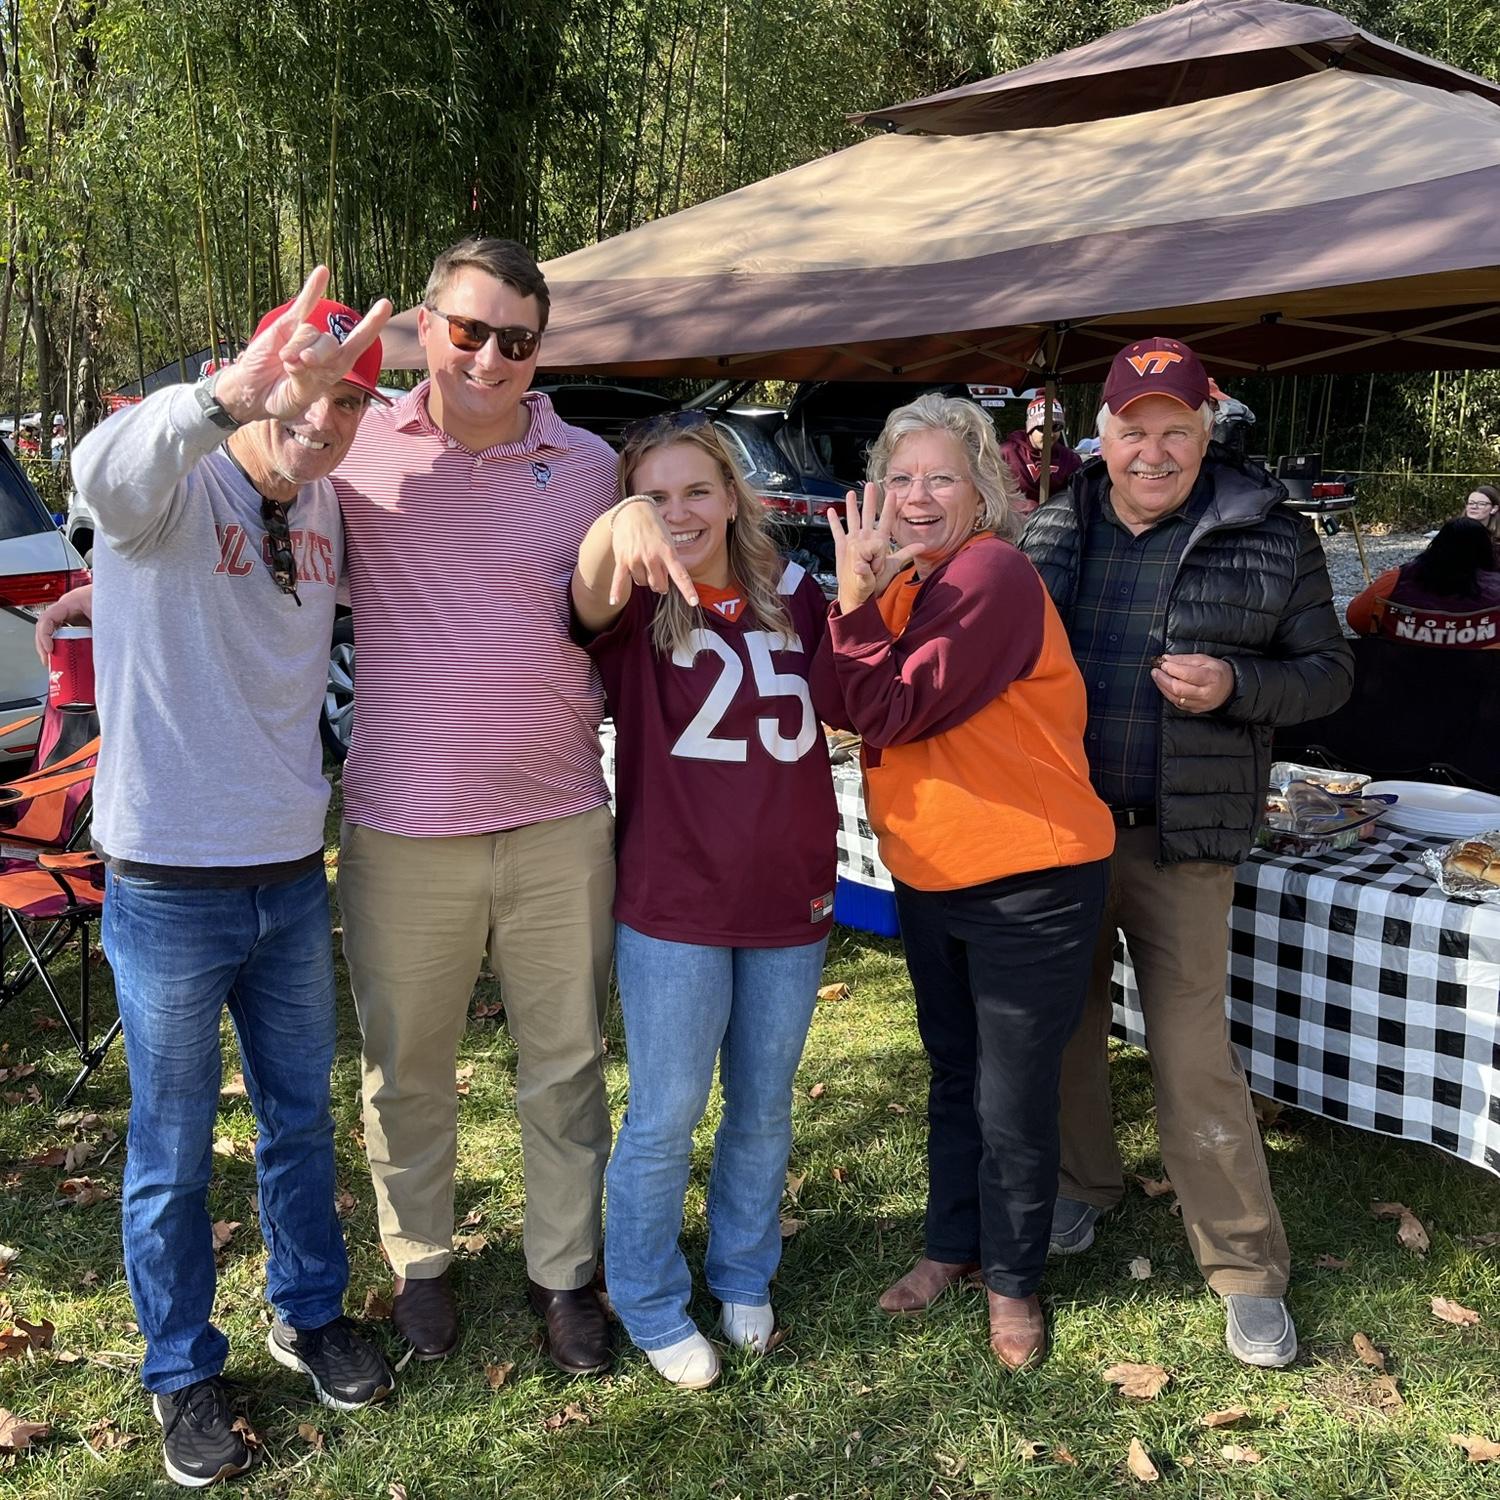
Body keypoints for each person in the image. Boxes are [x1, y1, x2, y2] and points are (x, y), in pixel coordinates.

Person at [51, 269, 396, 1488]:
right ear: (255, 384)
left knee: (300, 1121)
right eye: (301, 391)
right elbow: (99, 480)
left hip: (292, 872)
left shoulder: (330, 507)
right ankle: (182, 1373)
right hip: (168, 883)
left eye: (349, 399)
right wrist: (219, 393)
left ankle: (307, 1314)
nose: (322, 418)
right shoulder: (171, 483)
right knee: (174, 1145)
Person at [1022, 336, 1354, 1370]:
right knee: (1064, 1031)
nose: (1153, 451)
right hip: (1061, 831)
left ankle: (1247, 1267)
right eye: (1134, 429)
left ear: (1207, 428)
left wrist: (1240, 689)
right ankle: (1082, 1187)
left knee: (1192, 1054)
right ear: (1103, 433)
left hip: (1186, 840)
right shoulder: (1049, 525)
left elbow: (1332, 673)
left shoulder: (1270, 534)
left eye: (1176, 430)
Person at [331, 238, 618, 1373]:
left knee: (567, 1058)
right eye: (468, 330)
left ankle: (565, 1275)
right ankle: (422, 1264)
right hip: (404, 823)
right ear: (423, 332)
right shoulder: (353, 453)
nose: (490, 357)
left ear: (539, 350)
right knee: (406, 1065)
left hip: (557, 820)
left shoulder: (591, 464)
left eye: (517, 339)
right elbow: (256, 550)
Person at [811, 393, 1114, 1370]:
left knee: (1011, 1090)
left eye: (941, 476)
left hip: (1031, 872)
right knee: (956, 1072)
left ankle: (1014, 1282)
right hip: (932, 871)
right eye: (901, 478)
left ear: (985, 487)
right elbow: (836, 695)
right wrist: (857, 603)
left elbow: (893, 709)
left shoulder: (991, 574)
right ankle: (952, 1245)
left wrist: (852, 608)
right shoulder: (901, 583)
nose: (919, 495)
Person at [570, 413, 837, 1389]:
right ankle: (645, 1296)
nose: (678, 512)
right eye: (653, 495)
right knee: (668, 1110)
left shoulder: (796, 593)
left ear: (732, 495)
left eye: (696, 490)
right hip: (674, 895)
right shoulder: (635, 599)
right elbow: (586, 592)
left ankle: (743, 1275)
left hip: (789, 893)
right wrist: (618, 530)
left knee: (763, 1109)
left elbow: (850, 694)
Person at [1346, 517, 1500, 641]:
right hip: (1481, 677)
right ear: (1487, 551)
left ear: (1436, 546)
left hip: (1402, 675)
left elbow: (1355, 619)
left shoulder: (1394, 582)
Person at [999, 395, 1082, 518]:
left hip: (1054, 525)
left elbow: (1078, 499)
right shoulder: (1006, 453)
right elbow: (992, 495)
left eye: (1056, 427)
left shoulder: (1070, 459)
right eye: (1043, 427)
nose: (1050, 433)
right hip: (1013, 525)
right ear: (1030, 428)